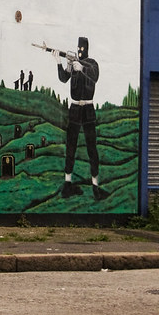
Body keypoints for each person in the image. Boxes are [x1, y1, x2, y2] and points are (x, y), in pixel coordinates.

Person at [53, 36, 109, 200]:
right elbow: (64, 78)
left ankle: (95, 186)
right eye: (78, 48)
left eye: (82, 49)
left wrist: (82, 68)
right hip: (75, 108)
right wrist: (58, 61)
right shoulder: (73, 63)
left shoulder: (92, 63)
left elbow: (95, 75)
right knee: (71, 146)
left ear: (86, 48)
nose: (79, 51)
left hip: (89, 109)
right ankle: (68, 184)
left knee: (92, 148)